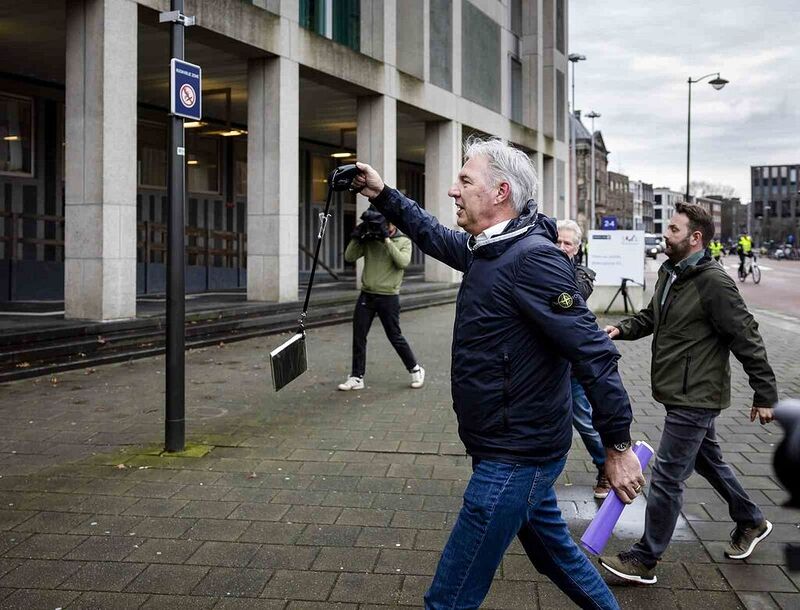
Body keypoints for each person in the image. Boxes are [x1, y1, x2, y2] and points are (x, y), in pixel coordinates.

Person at [352, 137, 643, 610]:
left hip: (516, 455)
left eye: (465, 181)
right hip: (504, 447)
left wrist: (618, 447)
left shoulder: (533, 259)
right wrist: (382, 193)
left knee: (449, 597)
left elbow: (594, 352)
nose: (453, 190)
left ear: (501, 192)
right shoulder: (489, 251)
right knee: (558, 559)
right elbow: (429, 232)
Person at [599, 202, 778, 585]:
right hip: (678, 389)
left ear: (696, 238)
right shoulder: (671, 273)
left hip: (697, 393)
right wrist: (622, 329)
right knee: (707, 460)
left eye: (674, 229)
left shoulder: (713, 282)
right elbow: (652, 316)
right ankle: (751, 519)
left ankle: (645, 559)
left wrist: (765, 394)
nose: (666, 233)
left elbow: (746, 336)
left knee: (666, 475)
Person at [337, 207, 425, 391]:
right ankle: (356, 376)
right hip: (367, 294)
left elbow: (402, 262)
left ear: (392, 224)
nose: (382, 227)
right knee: (359, 336)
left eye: (385, 224)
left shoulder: (403, 241)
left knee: (395, 336)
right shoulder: (370, 240)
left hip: (389, 296)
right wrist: (356, 237)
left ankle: (415, 369)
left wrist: (386, 239)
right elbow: (349, 256)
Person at [556, 219, 611, 499]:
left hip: (571, 363)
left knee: (584, 420)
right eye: (558, 241)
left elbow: (569, 298)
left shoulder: (582, 276)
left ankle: (605, 467)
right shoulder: (540, 267)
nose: (562, 247)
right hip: (544, 363)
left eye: (568, 243)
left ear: (577, 249)